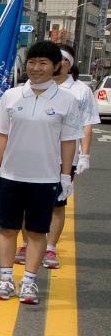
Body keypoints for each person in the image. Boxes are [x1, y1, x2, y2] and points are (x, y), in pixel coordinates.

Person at [0, 40, 82, 305]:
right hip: (12, 175)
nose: (36, 68)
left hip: (45, 177)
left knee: (37, 232)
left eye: (43, 63)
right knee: (7, 229)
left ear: (56, 66)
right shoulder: (12, 95)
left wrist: (65, 176)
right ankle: (5, 279)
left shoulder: (67, 100)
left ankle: (29, 281)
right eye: (31, 62)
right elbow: (1, 135)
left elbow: (68, 140)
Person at [41, 45, 97, 268]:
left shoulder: (81, 91)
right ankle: (28, 243)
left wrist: (85, 155)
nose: (58, 63)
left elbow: (87, 125)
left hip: (65, 156)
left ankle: (51, 248)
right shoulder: (35, 86)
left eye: (62, 59)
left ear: (69, 64)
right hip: (36, 154)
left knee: (57, 203)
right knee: (30, 203)